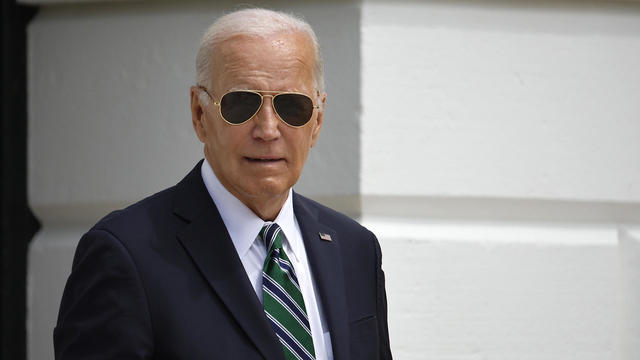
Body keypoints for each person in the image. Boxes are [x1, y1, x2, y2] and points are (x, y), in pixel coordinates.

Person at [54, 8, 392, 360]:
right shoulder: (127, 255)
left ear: (317, 120)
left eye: (292, 106)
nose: (267, 130)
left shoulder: (355, 250)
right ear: (200, 115)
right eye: (241, 104)